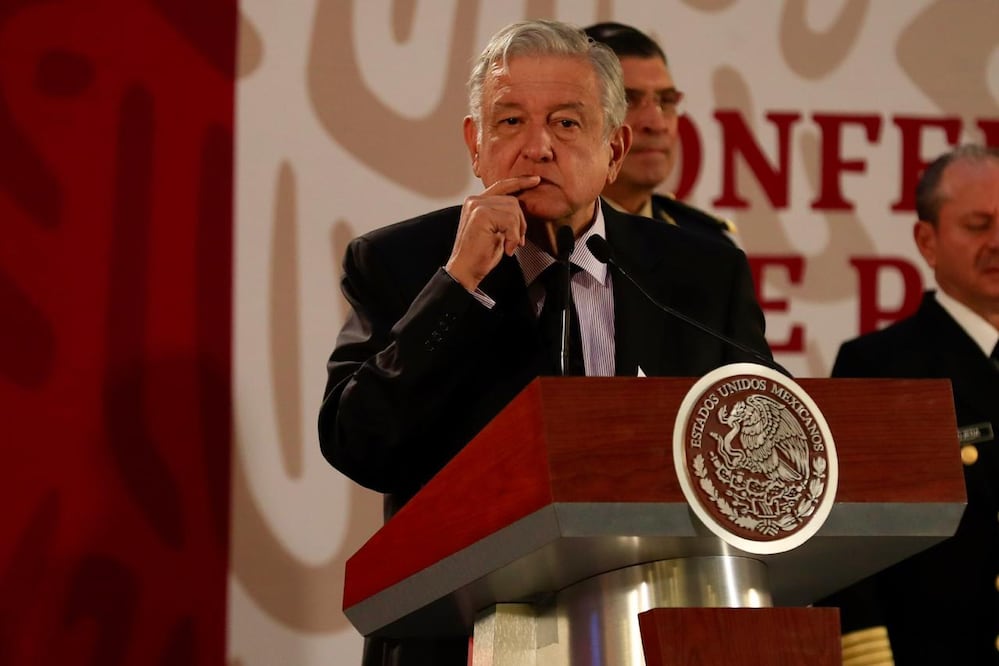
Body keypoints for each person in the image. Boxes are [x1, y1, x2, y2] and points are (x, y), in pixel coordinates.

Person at [318, 19, 773, 666]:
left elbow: (760, 439)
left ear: (613, 149)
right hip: (459, 639)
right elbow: (357, 443)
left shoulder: (700, 274)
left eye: (566, 123)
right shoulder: (401, 262)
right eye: (508, 123)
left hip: (660, 630)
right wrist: (458, 285)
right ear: (475, 144)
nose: (536, 147)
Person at [817, 144, 999, 666]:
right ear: (928, 241)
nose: (996, 241)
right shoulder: (879, 366)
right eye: (978, 225)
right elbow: (845, 546)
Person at [584, 21, 736, 246]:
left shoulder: (708, 247)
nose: (657, 124)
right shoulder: (530, 243)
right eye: (627, 101)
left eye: (666, 101)